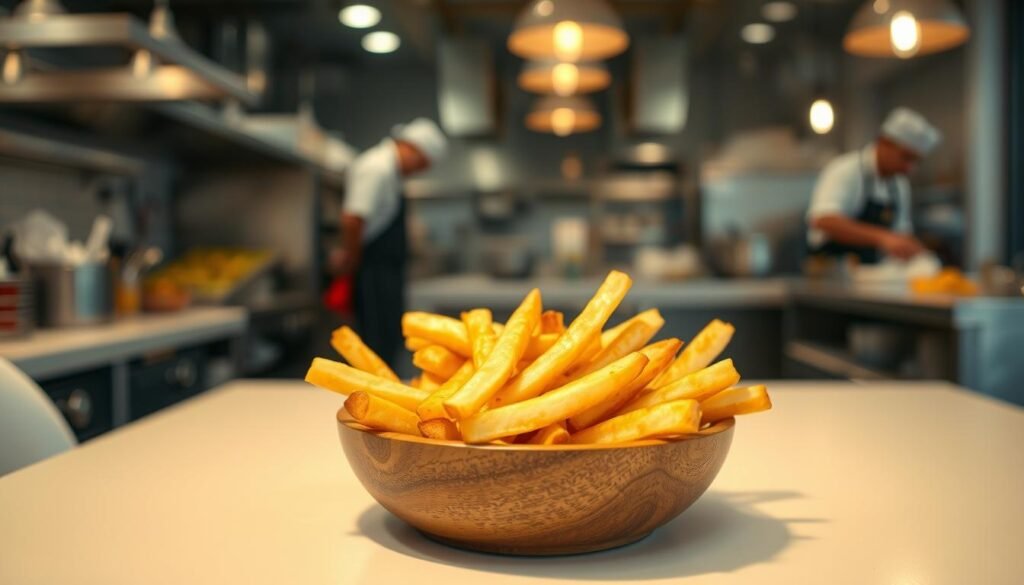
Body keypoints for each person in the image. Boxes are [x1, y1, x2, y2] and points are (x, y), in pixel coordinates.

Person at [331, 118, 448, 365]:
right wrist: (353, 258)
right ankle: (372, 390)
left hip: (386, 271)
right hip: (373, 270)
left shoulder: (390, 172)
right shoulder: (377, 168)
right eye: (421, 164)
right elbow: (353, 218)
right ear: (412, 148)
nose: (418, 171)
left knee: (388, 341)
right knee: (375, 346)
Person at [806, 107, 941, 264]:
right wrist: (882, 237)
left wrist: (918, 251)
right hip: (831, 270)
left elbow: (901, 232)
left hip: (872, 271)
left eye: (916, 161)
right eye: (906, 157)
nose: (909, 168)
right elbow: (823, 220)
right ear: (884, 142)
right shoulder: (846, 170)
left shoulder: (899, 185)